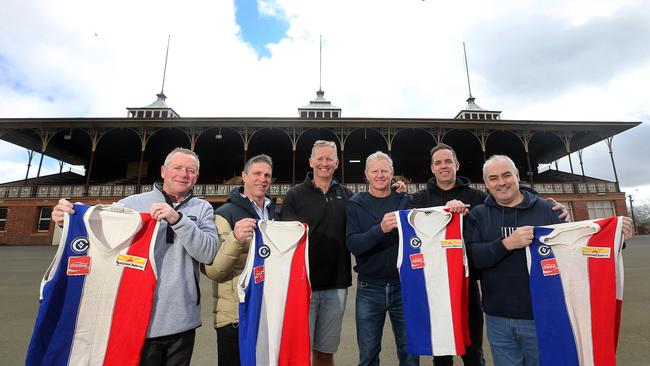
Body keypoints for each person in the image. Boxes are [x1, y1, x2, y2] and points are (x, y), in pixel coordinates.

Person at [51, 147, 218, 366]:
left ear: (196, 176)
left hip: (182, 319)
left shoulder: (203, 207)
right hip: (136, 315)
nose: (184, 174)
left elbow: (207, 253)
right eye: (177, 168)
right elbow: (100, 236)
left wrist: (178, 219)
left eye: (191, 170)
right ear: (163, 171)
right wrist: (68, 222)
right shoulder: (130, 203)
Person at [464, 155, 634, 366]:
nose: (501, 182)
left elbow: (575, 249)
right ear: (486, 183)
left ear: (517, 176)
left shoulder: (548, 210)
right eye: (493, 178)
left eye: (507, 175)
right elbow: (471, 259)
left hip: (543, 314)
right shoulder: (478, 215)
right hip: (498, 317)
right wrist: (507, 243)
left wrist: (616, 238)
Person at [409, 144, 569, 366]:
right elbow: (410, 229)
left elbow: (510, 195)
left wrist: (541, 203)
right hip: (436, 285)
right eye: (438, 162)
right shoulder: (418, 199)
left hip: (470, 283)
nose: (443, 166)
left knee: (473, 350)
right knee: (441, 352)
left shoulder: (477, 199)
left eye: (448, 161)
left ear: (456, 165)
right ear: (432, 168)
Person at [281, 140, 353, 366]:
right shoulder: (294, 195)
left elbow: (372, 211)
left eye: (329, 158)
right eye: (320, 158)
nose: (324, 163)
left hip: (336, 285)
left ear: (337, 162)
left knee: (324, 353)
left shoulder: (348, 195)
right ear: (311, 161)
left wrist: (394, 187)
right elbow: (285, 242)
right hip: (304, 286)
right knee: (301, 351)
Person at [202, 154, 278, 366]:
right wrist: (235, 239)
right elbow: (215, 271)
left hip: (268, 312)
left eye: (267, 175)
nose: (263, 179)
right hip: (235, 315)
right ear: (244, 177)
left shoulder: (276, 214)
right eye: (257, 174)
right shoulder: (223, 214)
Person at [345, 151, 419, 366]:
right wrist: (380, 229)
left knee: (410, 355)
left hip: (404, 286)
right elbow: (353, 244)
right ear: (366, 174)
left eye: (384, 171)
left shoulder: (405, 201)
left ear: (392, 173)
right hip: (369, 287)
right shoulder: (355, 204)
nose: (380, 175)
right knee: (368, 355)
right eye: (374, 171)